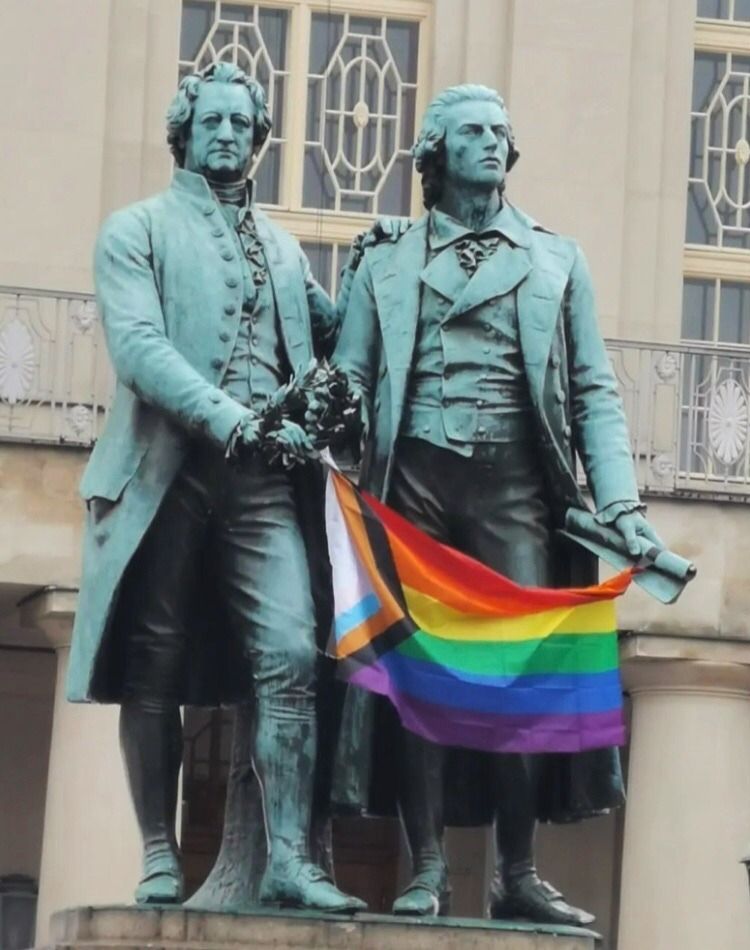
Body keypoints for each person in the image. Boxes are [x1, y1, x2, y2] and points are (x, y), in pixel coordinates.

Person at [333, 84, 663, 926]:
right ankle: (429, 867)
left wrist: (620, 504)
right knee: (421, 679)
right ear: (434, 156)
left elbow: (594, 392)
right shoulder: (386, 260)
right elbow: (352, 376)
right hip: (414, 487)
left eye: (499, 132)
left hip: (517, 486)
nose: (490, 143)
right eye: (471, 132)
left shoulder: (560, 260)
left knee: (524, 680)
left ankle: (517, 870)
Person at [66, 61, 366, 912]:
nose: (229, 134)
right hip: (168, 474)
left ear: (259, 138)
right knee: (154, 665)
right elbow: (139, 350)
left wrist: (385, 267)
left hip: (265, 485)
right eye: (214, 122)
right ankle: (159, 850)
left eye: (243, 123)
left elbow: (328, 331)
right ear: (184, 133)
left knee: (290, 654)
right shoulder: (137, 230)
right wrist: (231, 417)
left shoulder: (279, 245)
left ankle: (288, 863)